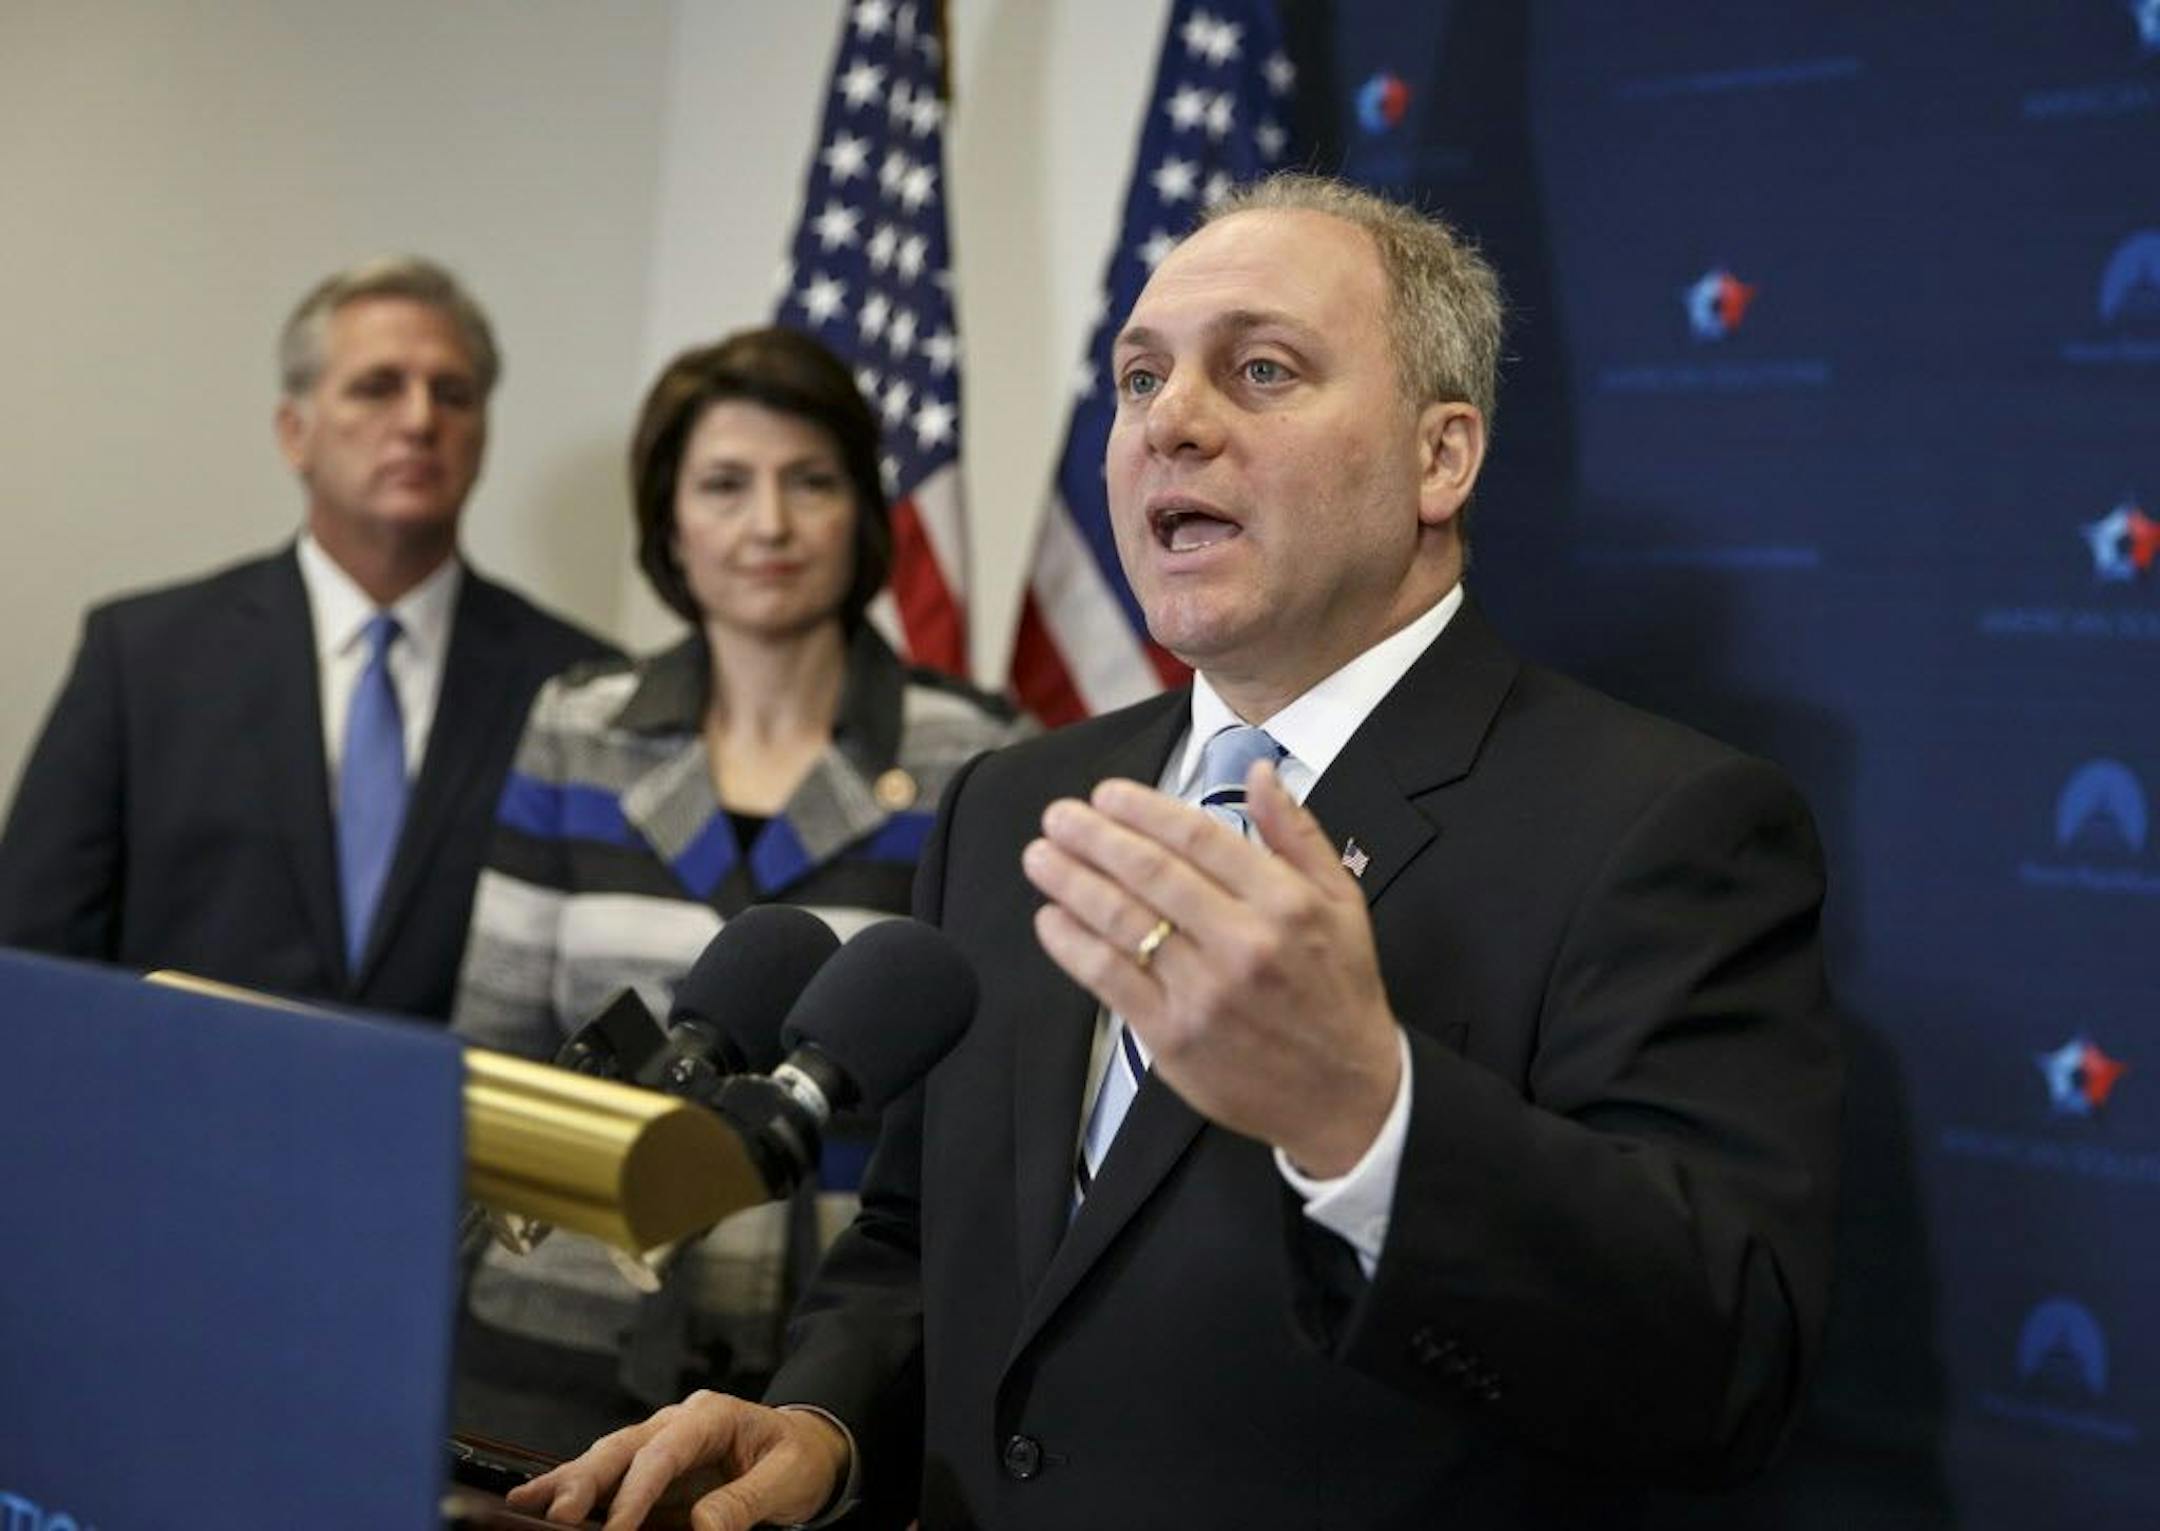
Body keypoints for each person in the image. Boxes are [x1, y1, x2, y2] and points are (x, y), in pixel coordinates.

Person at [513, 175, 1841, 1531]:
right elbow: (926, 1241)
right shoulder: (1013, 803)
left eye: (1260, 370)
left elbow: (1723, 1363)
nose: (1172, 421)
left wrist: (1365, 1115)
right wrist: (824, 1417)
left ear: (1442, 458)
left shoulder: (1661, 823)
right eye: (1139, 377)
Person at [450, 326, 1027, 1457]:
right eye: (724, 485)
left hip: (814, 1385)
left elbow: (977, 1116)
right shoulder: (579, 727)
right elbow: (493, 1049)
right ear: (670, 521)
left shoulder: (979, 755)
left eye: (809, 482)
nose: (768, 525)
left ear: (861, 511)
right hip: (549, 1347)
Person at [0, 256, 615, 1022]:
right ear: (296, 432)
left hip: (458, 1136)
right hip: (179, 1124)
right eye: (377, 387)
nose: (421, 420)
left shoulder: (577, 686)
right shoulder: (143, 657)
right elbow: (33, 955)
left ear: (483, 436)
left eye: (453, 394)